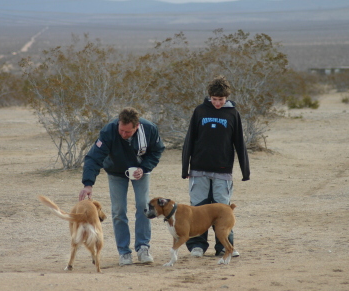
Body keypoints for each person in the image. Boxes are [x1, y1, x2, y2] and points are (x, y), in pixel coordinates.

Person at [79, 107, 165, 266]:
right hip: (116, 171)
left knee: (143, 206)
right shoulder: (109, 131)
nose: (123, 134)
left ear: (137, 126)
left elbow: (157, 150)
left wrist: (144, 168)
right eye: (121, 130)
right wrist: (88, 184)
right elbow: (93, 157)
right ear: (118, 123)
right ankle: (124, 252)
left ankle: (143, 248)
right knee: (119, 210)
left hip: (140, 171)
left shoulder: (149, 129)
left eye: (127, 132)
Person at [181, 75, 250, 258]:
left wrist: (245, 171)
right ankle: (197, 246)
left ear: (226, 97)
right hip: (198, 169)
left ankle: (225, 247)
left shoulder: (233, 114)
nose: (217, 103)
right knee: (197, 208)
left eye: (220, 99)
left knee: (223, 209)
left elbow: (239, 143)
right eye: (214, 99)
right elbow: (189, 140)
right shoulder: (200, 111)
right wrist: (184, 168)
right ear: (209, 96)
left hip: (223, 170)